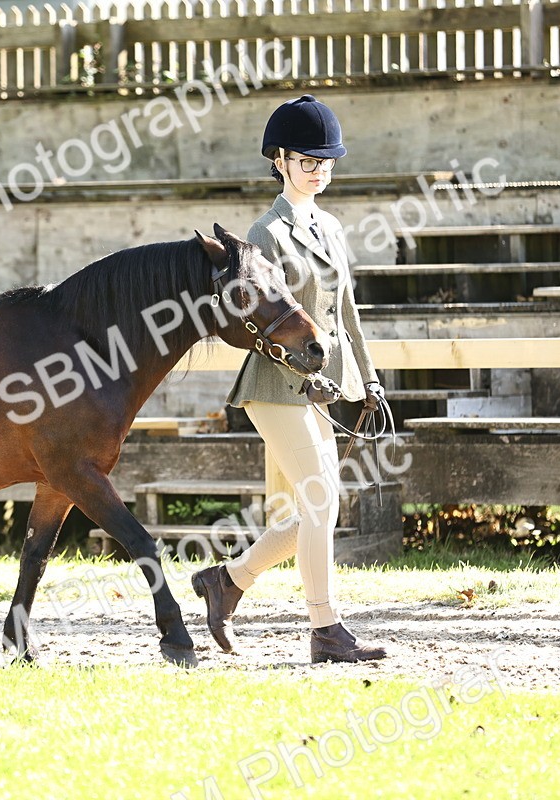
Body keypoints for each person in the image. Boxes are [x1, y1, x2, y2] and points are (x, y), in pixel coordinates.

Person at [191, 95, 388, 663]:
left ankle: (227, 583)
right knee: (322, 500)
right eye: (307, 162)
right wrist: (305, 375)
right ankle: (326, 630)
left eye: (325, 163)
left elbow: (347, 314)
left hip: (325, 383)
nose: (318, 171)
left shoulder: (330, 226)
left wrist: (368, 381)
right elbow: (262, 324)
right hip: (277, 386)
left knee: (310, 511)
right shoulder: (266, 233)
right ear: (279, 160)